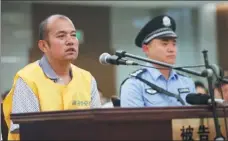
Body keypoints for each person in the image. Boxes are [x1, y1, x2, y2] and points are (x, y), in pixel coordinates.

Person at [3, 14, 101, 140]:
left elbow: (98, 127)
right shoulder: (27, 78)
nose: (70, 41)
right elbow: (28, 133)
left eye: (73, 35)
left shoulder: (87, 79)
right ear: (44, 46)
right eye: (61, 36)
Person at [120, 15, 196, 107]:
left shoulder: (187, 82)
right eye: (164, 44)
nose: (171, 49)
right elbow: (133, 120)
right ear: (146, 49)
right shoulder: (134, 84)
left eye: (174, 44)